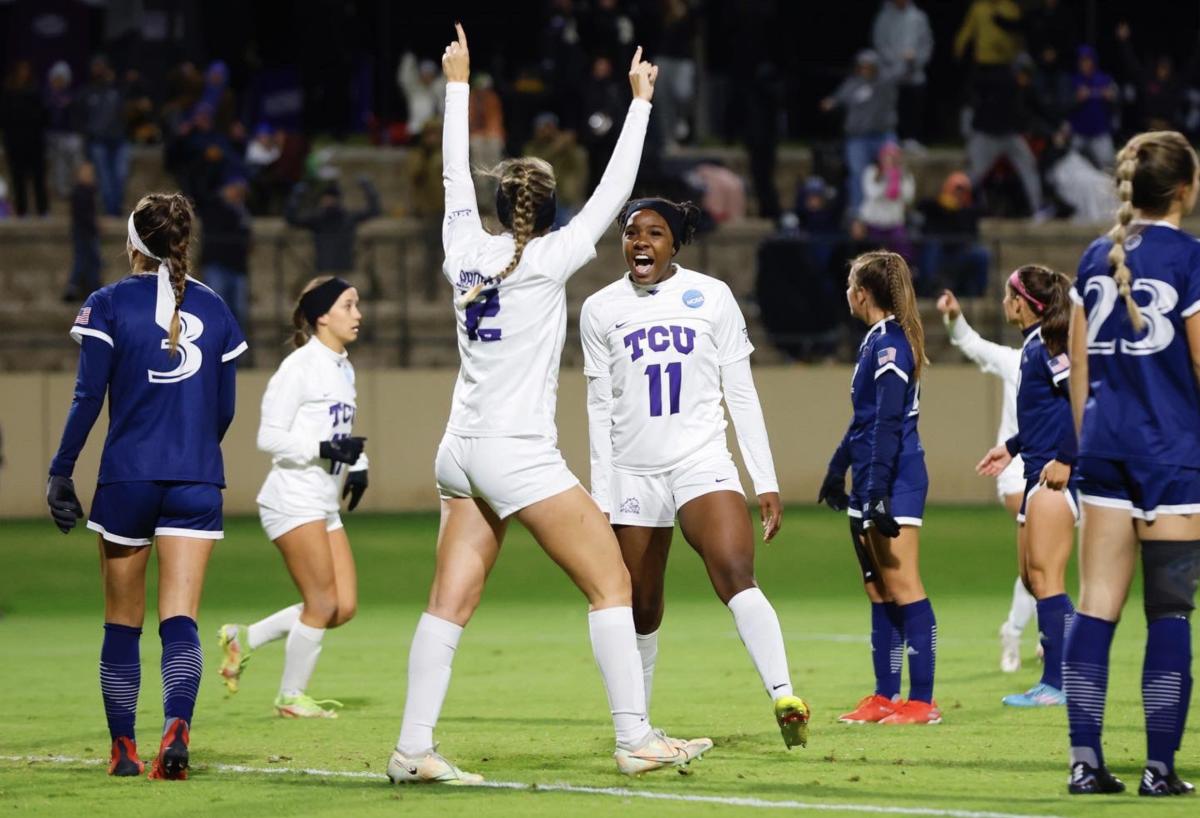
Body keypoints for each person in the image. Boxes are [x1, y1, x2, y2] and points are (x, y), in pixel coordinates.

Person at [387, 25, 710, 784]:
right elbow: (616, 193)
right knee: (612, 584)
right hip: (515, 451)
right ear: (549, 207)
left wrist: (457, 84)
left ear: (499, 205)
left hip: (459, 448)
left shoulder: (463, 246)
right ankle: (634, 739)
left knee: (448, 602)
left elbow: (450, 179)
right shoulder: (553, 257)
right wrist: (639, 105)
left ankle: (412, 748)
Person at [581, 197, 810, 749]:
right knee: (640, 606)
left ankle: (784, 694)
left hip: (701, 461)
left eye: (654, 233)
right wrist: (601, 494)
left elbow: (741, 392)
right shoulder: (599, 308)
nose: (640, 241)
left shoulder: (712, 296)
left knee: (735, 572)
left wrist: (765, 478)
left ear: (674, 244)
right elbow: (598, 407)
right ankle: (639, 730)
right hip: (633, 471)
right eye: (632, 232)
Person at [44, 192, 247, 780]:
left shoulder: (107, 303)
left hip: (128, 476)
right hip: (196, 476)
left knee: (121, 622)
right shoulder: (216, 307)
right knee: (179, 618)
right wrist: (192, 447)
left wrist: (62, 469)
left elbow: (88, 397)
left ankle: (125, 751)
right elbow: (225, 408)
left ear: (132, 242)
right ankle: (177, 726)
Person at [1062, 130, 1200, 797]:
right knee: (1169, 611)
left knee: (1095, 606)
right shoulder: (1190, 258)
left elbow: (1080, 367)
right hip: (1171, 454)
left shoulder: (1095, 256)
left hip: (1106, 450)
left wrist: (1092, 444)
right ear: (1185, 190)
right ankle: (1160, 769)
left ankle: (1085, 763)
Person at [218, 276, 367, 719]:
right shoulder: (299, 367)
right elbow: (268, 436)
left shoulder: (343, 365)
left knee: (342, 608)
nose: (358, 314)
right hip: (292, 498)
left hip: (322, 501)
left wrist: (358, 464)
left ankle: (244, 638)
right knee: (321, 604)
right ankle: (290, 697)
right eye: (348, 305)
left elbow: (340, 430)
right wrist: (322, 451)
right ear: (323, 315)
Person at [819, 250, 940, 725]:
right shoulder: (875, 341)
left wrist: (879, 489)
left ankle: (922, 701)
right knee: (879, 589)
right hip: (871, 476)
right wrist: (836, 470)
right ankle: (885, 695)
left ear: (862, 293)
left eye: (851, 284)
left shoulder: (890, 343)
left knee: (905, 585)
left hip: (894, 477)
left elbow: (889, 420)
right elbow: (864, 422)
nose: (847, 292)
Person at [976, 265, 1078, 708]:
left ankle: (1059, 681)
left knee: (1047, 578)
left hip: (1055, 476)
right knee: (1033, 577)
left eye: (1007, 295)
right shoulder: (1033, 347)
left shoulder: (1052, 347)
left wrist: (1067, 459)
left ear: (1023, 303)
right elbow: (1044, 413)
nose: (1003, 303)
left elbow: (1082, 398)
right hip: (1034, 467)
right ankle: (1068, 672)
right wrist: (1012, 447)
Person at [936, 290, 1034, 673]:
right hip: (1015, 469)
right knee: (1039, 556)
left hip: (1061, 468)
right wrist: (954, 317)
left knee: (1039, 566)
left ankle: (1014, 629)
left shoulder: (1072, 363)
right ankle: (1050, 640)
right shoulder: (1017, 361)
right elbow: (971, 344)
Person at [819, 50, 905, 215]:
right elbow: (840, 97)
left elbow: (901, 72)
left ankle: (894, 209)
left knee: (893, 169)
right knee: (858, 172)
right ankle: (857, 212)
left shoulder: (885, 82)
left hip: (883, 135)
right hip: (858, 138)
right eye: (862, 67)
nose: (865, 70)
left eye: (869, 67)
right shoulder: (853, 84)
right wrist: (832, 102)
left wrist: (907, 61)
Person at [284, 176, 381, 276]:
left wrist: (368, 188)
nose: (328, 201)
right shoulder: (318, 219)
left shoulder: (346, 217)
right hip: (324, 269)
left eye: (331, 198)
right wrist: (296, 196)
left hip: (344, 270)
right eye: (326, 198)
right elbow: (292, 219)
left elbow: (373, 211)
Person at [871, 0, 933, 148]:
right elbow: (879, 42)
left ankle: (911, 138)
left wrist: (916, 59)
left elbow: (926, 42)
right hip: (890, 70)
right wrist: (896, 60)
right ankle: (891, 138)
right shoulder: (884, 17)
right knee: (891, 105)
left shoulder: (918, 17)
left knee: (913, 105)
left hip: (914, 70)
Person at [859, 142, 914, 262]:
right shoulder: (871, 172)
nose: (889, 161)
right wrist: (886, 180)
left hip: (894, 224)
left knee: (903, 255)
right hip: (874, 224)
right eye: (886, 157)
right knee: (874, 259)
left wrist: (897, 180)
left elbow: (908, 197)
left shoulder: (904, 174)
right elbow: (872, 193)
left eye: (893, 158)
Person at [64, 162, 101, 302]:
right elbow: (84, 215)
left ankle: (91, 287)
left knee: (91, 260)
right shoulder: (81, 193)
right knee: (86, 260)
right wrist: (95, 225)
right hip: (84, 231)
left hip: (86, 231)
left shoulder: (89, 191)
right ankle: (76, 286)